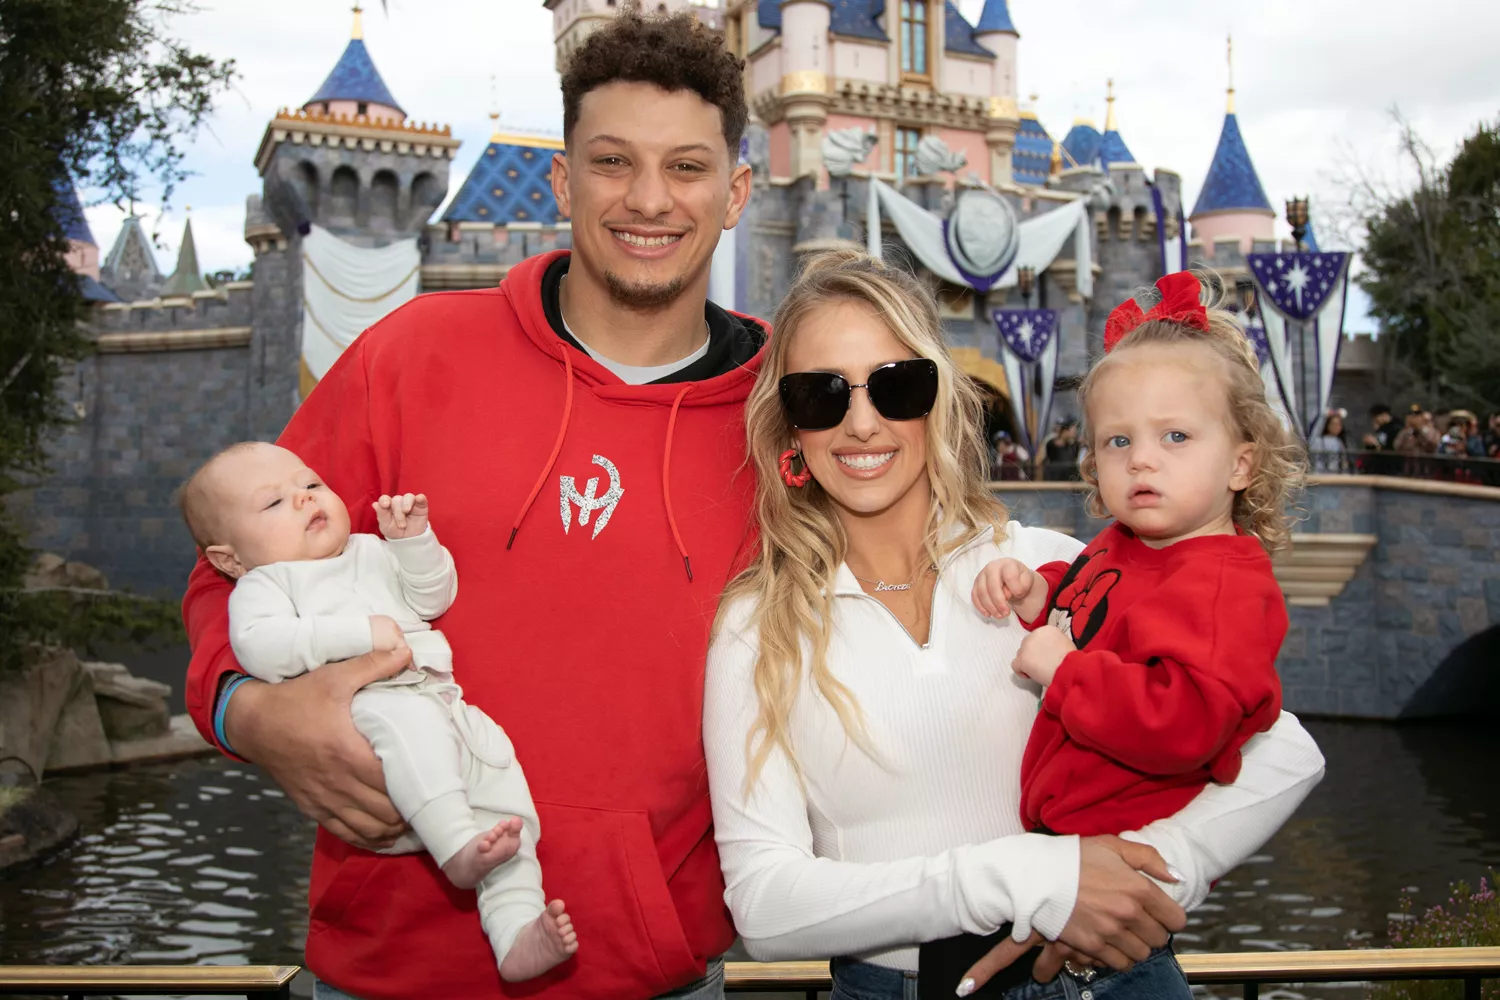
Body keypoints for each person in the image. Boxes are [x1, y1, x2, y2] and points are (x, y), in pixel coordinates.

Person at [181, 8, 765, 999]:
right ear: (563, 179)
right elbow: (224, 571)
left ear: (737, 190)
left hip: (648, 970)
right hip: (388, 964)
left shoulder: (787, 413)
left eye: (688, 166)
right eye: (613, 161)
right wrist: (251, 711)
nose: (650, 199)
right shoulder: (412, 357)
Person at [703, 251, 1325, 1000]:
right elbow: (765, 906)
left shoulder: (1047, 569)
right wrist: (1032, 880)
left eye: (898, 386)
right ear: (789, 426)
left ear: (940, 399)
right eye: (819, 393)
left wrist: (1132, 882)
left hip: (1103, 976)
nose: (861, 423)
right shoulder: (760, 626)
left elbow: (1282, 748)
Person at [963, 271, 1304, 995]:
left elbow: (1187, 722)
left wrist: (1066, 673)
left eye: (1175, 436)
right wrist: (1036, 594)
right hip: (1067, 872)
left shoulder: (1221, 582)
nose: (1141, 458)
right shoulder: (1125, 545)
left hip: (1116, 925)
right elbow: (1088, 609)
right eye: (1118, 440)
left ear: (1242, 461)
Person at [177, 442, 577, 982]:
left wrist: (413, 544)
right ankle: (454, 844)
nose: (302, 500)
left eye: (311, 485)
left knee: (505, 801)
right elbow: (259, 648)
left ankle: (516, 932)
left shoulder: (369, 549)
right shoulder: (264, 585)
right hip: (374, 706)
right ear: (229, 560)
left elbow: (432, 598)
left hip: (442, 701)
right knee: (416, 735)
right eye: (273, 504)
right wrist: (357, 634)